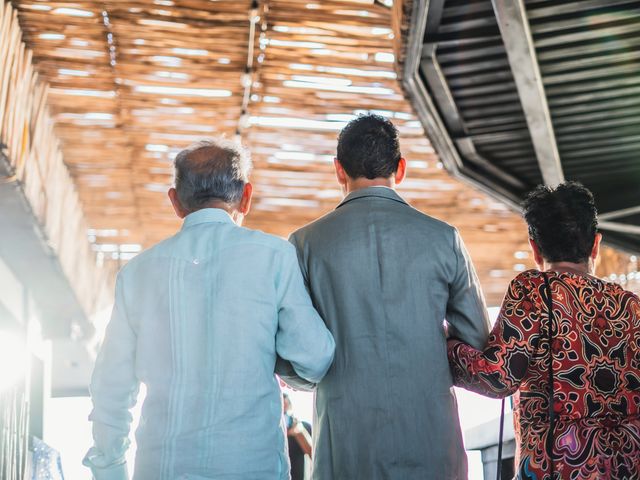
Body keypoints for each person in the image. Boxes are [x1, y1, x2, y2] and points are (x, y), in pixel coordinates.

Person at [83, 139, 335, 480]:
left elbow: (111, 390)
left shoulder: (136, 274)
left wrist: (109, 469)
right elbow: (316, 358)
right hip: (252, 467)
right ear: (246, 196)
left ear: (175, 201)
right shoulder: (274, 256)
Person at [287, 114, 491, 479]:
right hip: (431, 437)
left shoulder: (305, 244)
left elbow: (301, 361)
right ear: (401, 168)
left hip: (346, 443)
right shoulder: (444, 238)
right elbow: (477, 340)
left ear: (338, 170)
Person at [448, 182, 640, 479]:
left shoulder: (533, 291)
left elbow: (497, 377)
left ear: (535, 248)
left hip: (557, 467)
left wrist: (449, 347)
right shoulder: (630, 306)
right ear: (596, 245)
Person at [282, 393, 312, 480]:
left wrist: (300, 433)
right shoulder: (271, 431)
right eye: (282, 413)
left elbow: (317, 457)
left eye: (287, 413)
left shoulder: (304, 427)